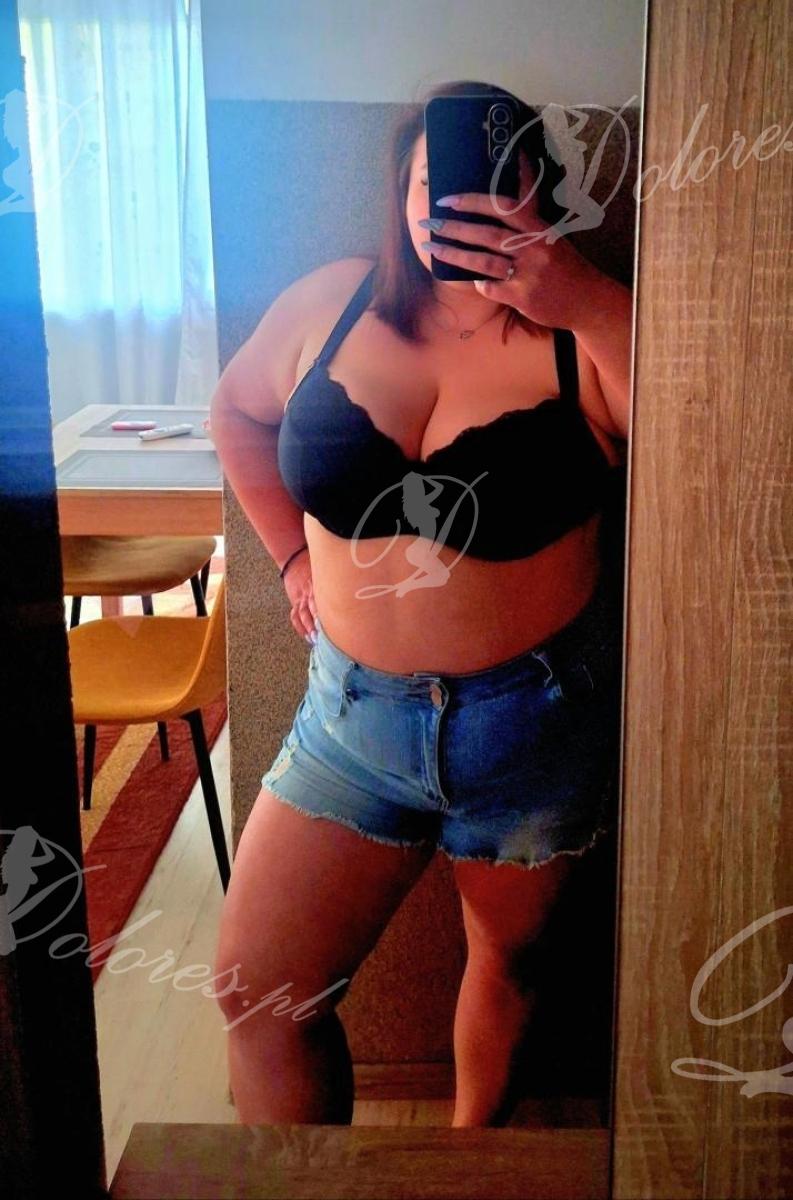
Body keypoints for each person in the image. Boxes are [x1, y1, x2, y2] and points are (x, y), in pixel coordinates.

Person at [209, 79, 633, 1129]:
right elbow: (236, 412)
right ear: (399, 195)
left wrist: (582, 297)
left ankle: (470, 1159)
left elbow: (702, 450)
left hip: (532, 728)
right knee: (257, 994)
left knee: (509, 966)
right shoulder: (329, 302)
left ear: (539, 194)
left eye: (497, 182)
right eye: (430, 185)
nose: (458, 206)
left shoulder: (589, 327)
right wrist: (290, 560)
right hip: (349, 723)